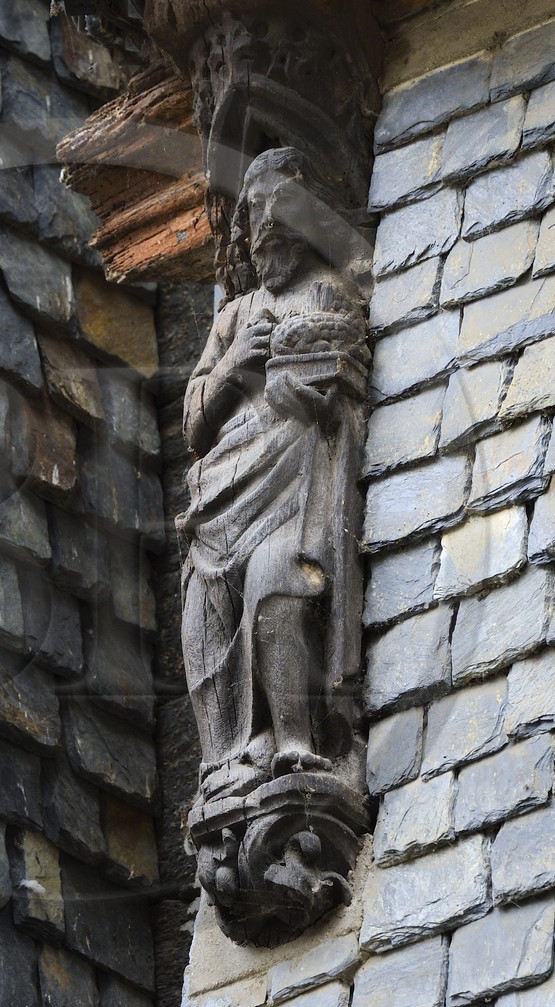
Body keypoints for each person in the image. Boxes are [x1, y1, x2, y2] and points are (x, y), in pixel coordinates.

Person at [180, 146, 370, 807]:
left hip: (292, 489)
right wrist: (235, 363)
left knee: (276, 582)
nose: (267, 228)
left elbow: (337, 376)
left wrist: (305, 389)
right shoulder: (232, 317)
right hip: (220, 497)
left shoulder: (328, 290)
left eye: (282, 212)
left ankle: (295, 742)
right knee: (205, 616)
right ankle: (224, 762)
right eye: (256, 216)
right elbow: (194, 424)